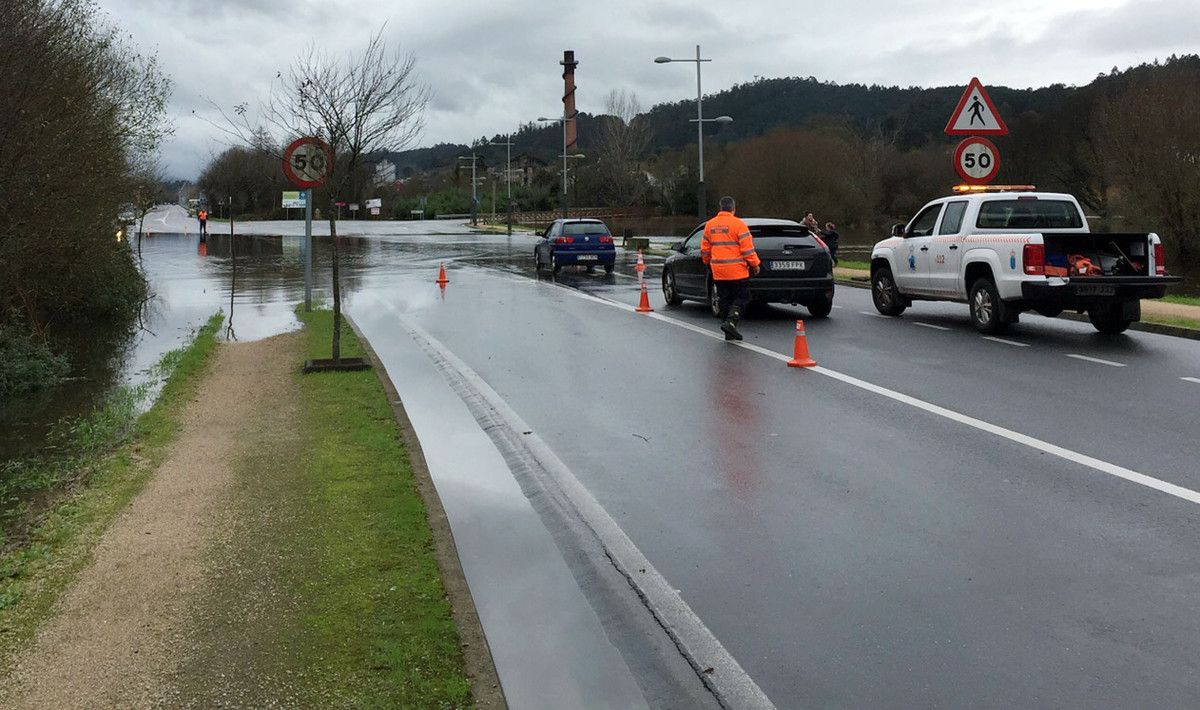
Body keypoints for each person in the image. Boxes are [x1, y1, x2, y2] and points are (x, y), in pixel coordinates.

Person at [702, 196, 760, 341]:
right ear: (733, 209)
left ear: (720, 208)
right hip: (737, 270)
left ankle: (728, 330)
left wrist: (708, 262)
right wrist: (755, 264)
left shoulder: (710, 225)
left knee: (724, 299)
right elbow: (747, 249)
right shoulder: (739, 225)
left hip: (719, 270)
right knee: (742, 297)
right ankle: (731, 323)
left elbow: (705, 249)